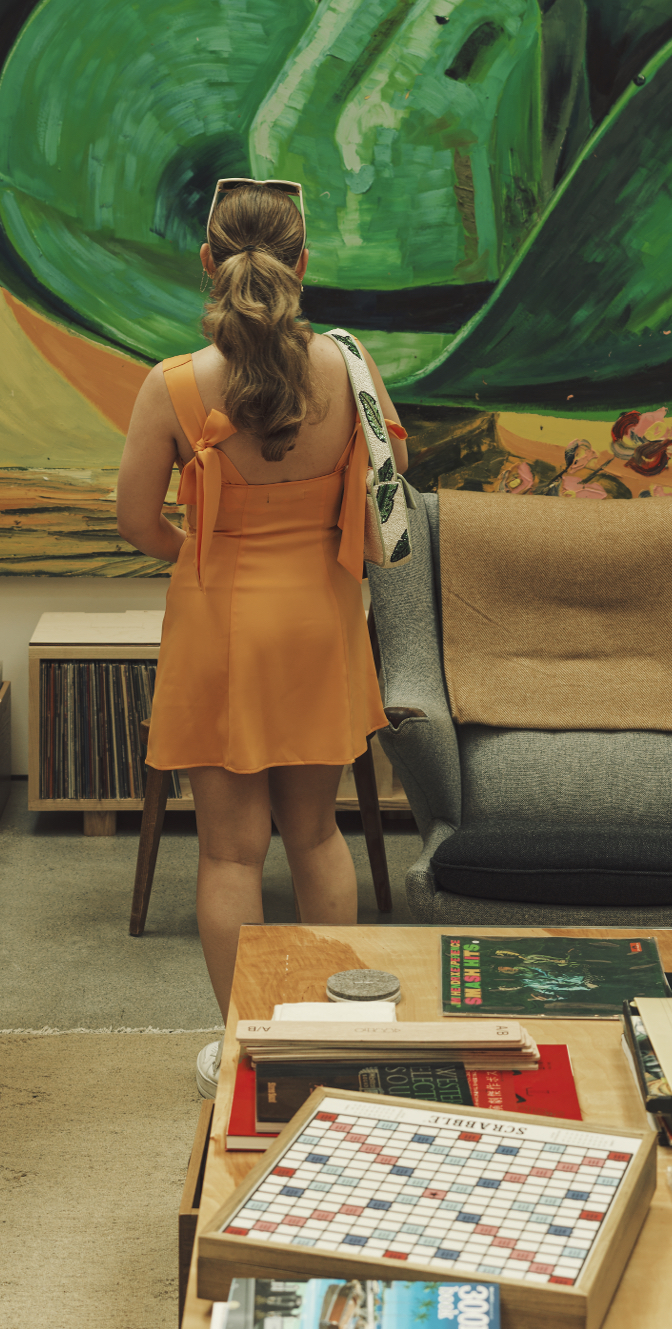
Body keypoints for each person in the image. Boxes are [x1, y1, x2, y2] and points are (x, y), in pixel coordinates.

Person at [116, 178, 403, 1097]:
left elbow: (133, 521)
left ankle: (245, 1044)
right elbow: (384, 485)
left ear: (208, 262)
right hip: (319, 617)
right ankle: (332, 1034)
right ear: (302, 264)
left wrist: (199, 552)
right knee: (317, 836)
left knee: (230, 852)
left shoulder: (171, 386)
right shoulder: (346, 366)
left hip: (218, 620)